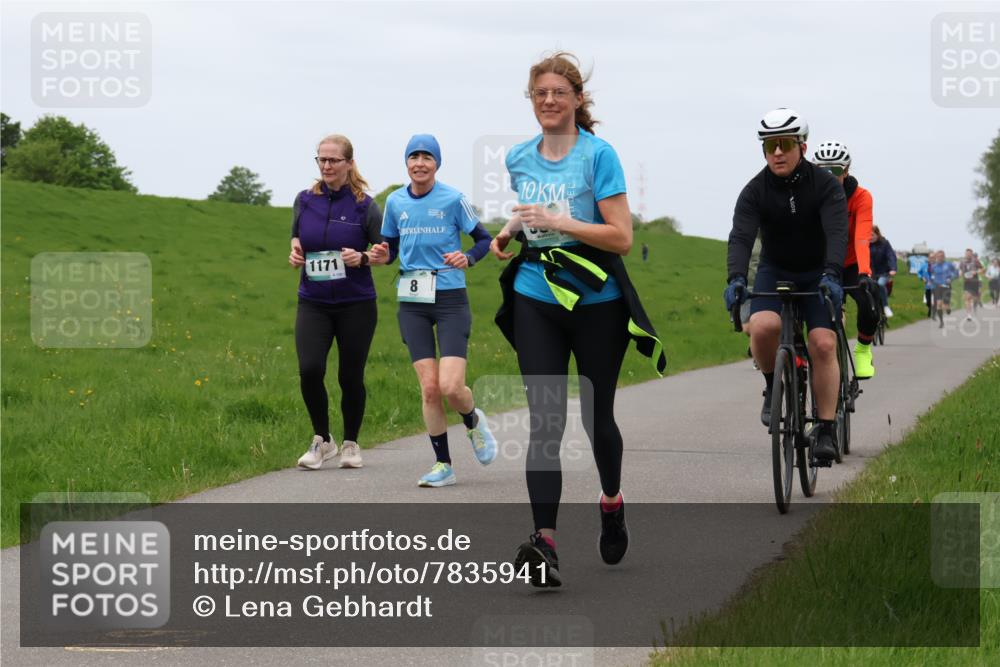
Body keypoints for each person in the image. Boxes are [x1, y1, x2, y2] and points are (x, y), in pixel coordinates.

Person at [491, 52, 665, 588]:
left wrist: (561, 220)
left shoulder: (599, 155)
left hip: (596, 301)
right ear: (532, 100)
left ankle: (610, 501)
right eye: (540, 93)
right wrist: (509, 231)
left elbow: (621, 237)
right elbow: (530, 216)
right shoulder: (519, 157)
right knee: (545, 421)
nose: (548, 101)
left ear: (577, 99)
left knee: (596, 418)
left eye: (558, 93)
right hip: (535, 296)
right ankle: (544, 542)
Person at [724, 108, 848, 463]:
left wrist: (833, 273)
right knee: (763, 327)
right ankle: (771, 385)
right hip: (775, 269)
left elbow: (837, 232)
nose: (776, 152)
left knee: (823, 343)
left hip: (817, 272)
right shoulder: (754, 191)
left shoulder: (824, 186)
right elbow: (741, 237)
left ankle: (825, 428)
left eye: (784, 144)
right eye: (769, 146)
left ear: (802, 147)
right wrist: (735, 278)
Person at [378, 134, 498, 488]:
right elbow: (391, 249)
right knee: (429, 389)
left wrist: (469, 257)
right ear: (406, 163)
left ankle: (473, 420)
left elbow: (484, 239)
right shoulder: (394, 202)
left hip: (449, 299)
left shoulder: (453, 199)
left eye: (426, 157)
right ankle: (443, 464)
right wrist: (380, 255)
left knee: (450, 386)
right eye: (413, 156)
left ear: (437, 163)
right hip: (412, 301)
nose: (419, 163)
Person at [290, 134, 390, 471]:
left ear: (348, 163)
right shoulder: (304, 200)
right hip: (313, 302)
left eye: (334, 160)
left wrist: (362, 257)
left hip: (356, 304)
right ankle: (322, 440)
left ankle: (350, 442)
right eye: (321, 159)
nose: (327, 166)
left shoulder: (364, 205)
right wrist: (295, 252)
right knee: (310, 369)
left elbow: (387, 253)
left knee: (350, 376)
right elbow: (296, 239)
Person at [813, 141, 880, 379]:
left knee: (870, 302)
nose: (828, 176)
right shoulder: (811, 195)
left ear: (846, 171)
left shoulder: (861, 197)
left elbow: (862, 236)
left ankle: (862, 349)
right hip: (822, 262)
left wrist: (865, 273)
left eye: (835, 170)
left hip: (851, 263)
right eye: (822, 170)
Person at [869, 225, 897, 317]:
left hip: (884, 272)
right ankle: (870, 308)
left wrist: (893, 268)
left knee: (880, 284)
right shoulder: (866, 244)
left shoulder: (885, 243)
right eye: (868, 235)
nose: (870, 237)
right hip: (871, 273)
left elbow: (891, 256)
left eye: (872, 235)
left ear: (877, 234)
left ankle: (886, 306)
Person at [929, 249, 958, 328]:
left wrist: (951, 278)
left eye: (941, 256)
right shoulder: (933, 266)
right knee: (938, 304)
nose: (939, 258)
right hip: (937, 286)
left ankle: (948, 308)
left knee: (945, 305)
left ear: (944, 257)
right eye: (938, 256)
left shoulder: (949, 264)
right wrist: (931, 281)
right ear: (936, 257)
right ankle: (941, 322)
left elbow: (956, 273)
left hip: (946, 286)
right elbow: (931, 275)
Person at [957, 248, 984, 321]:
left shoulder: (975, 261)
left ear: (972, 254)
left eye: (969, 254)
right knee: (967, 297)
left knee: (974, 298)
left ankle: (974, 303)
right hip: (967, 282)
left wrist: (976, 272)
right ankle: (969, 315)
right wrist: (959, 276)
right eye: (967, 254)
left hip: (975, 282)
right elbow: (961, 270)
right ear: (965, 254)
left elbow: (982, 269)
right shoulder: (962, 261)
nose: (968, 255)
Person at [918, 253, 935, 318]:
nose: (931, 259)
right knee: (927, 301)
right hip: (927, 286)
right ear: (928, 258)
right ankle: (930, 307)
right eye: (930, 257)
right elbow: (919, 273)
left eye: (933, 257)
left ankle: (932, 309)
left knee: (933, 299)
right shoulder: (924, 266)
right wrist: (922, 278)